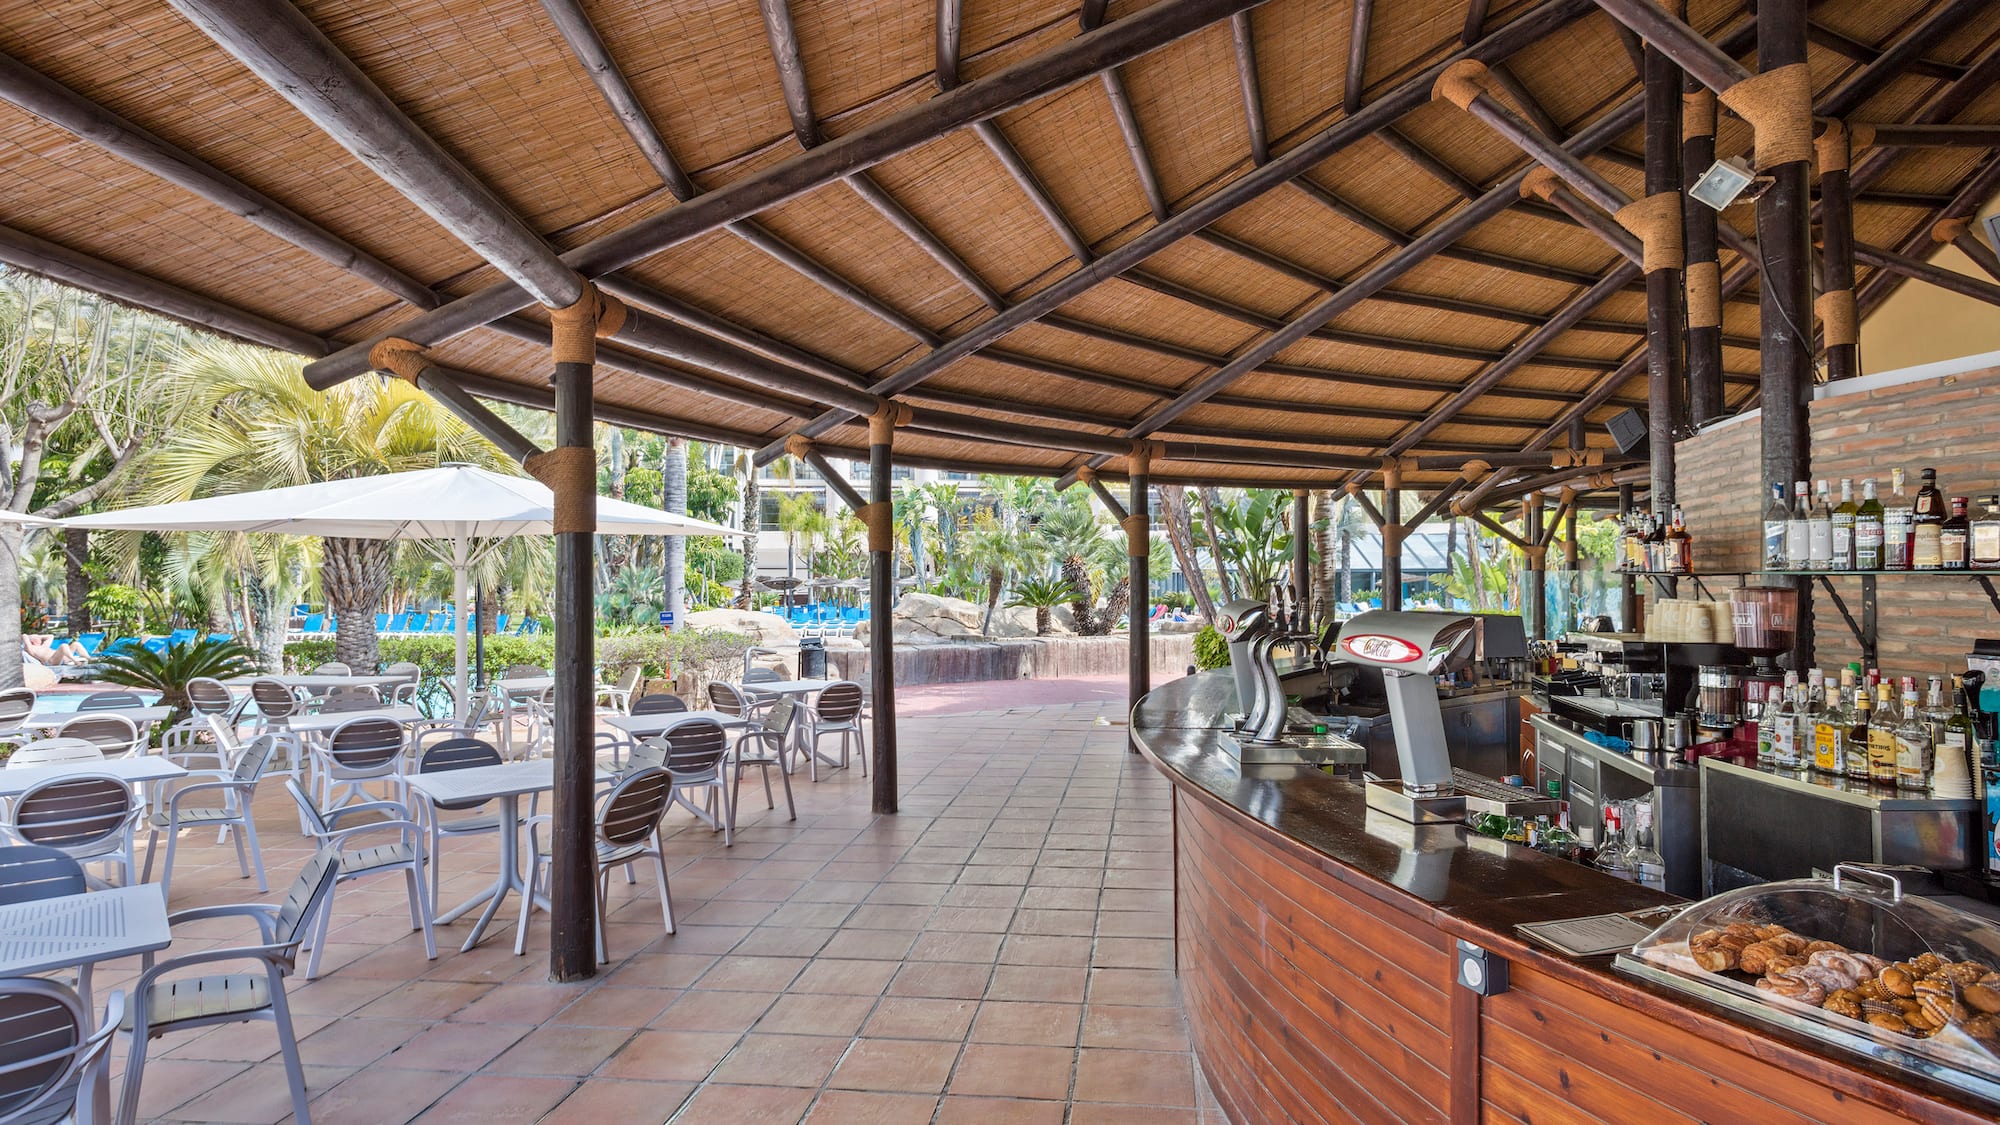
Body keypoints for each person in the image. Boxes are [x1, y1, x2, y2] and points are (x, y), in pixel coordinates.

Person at [22, 634, 91, 666]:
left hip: (62, 657)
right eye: (37, 638)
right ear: (32, 640)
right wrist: (29, 637)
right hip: (51, 661)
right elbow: (24, 635)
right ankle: (75, 661)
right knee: (63, 646)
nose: (39, 639)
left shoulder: (44, 645)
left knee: (76, 644)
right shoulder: (31, 649)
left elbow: (51, 636)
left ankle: (89, 659)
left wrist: (38, 636)